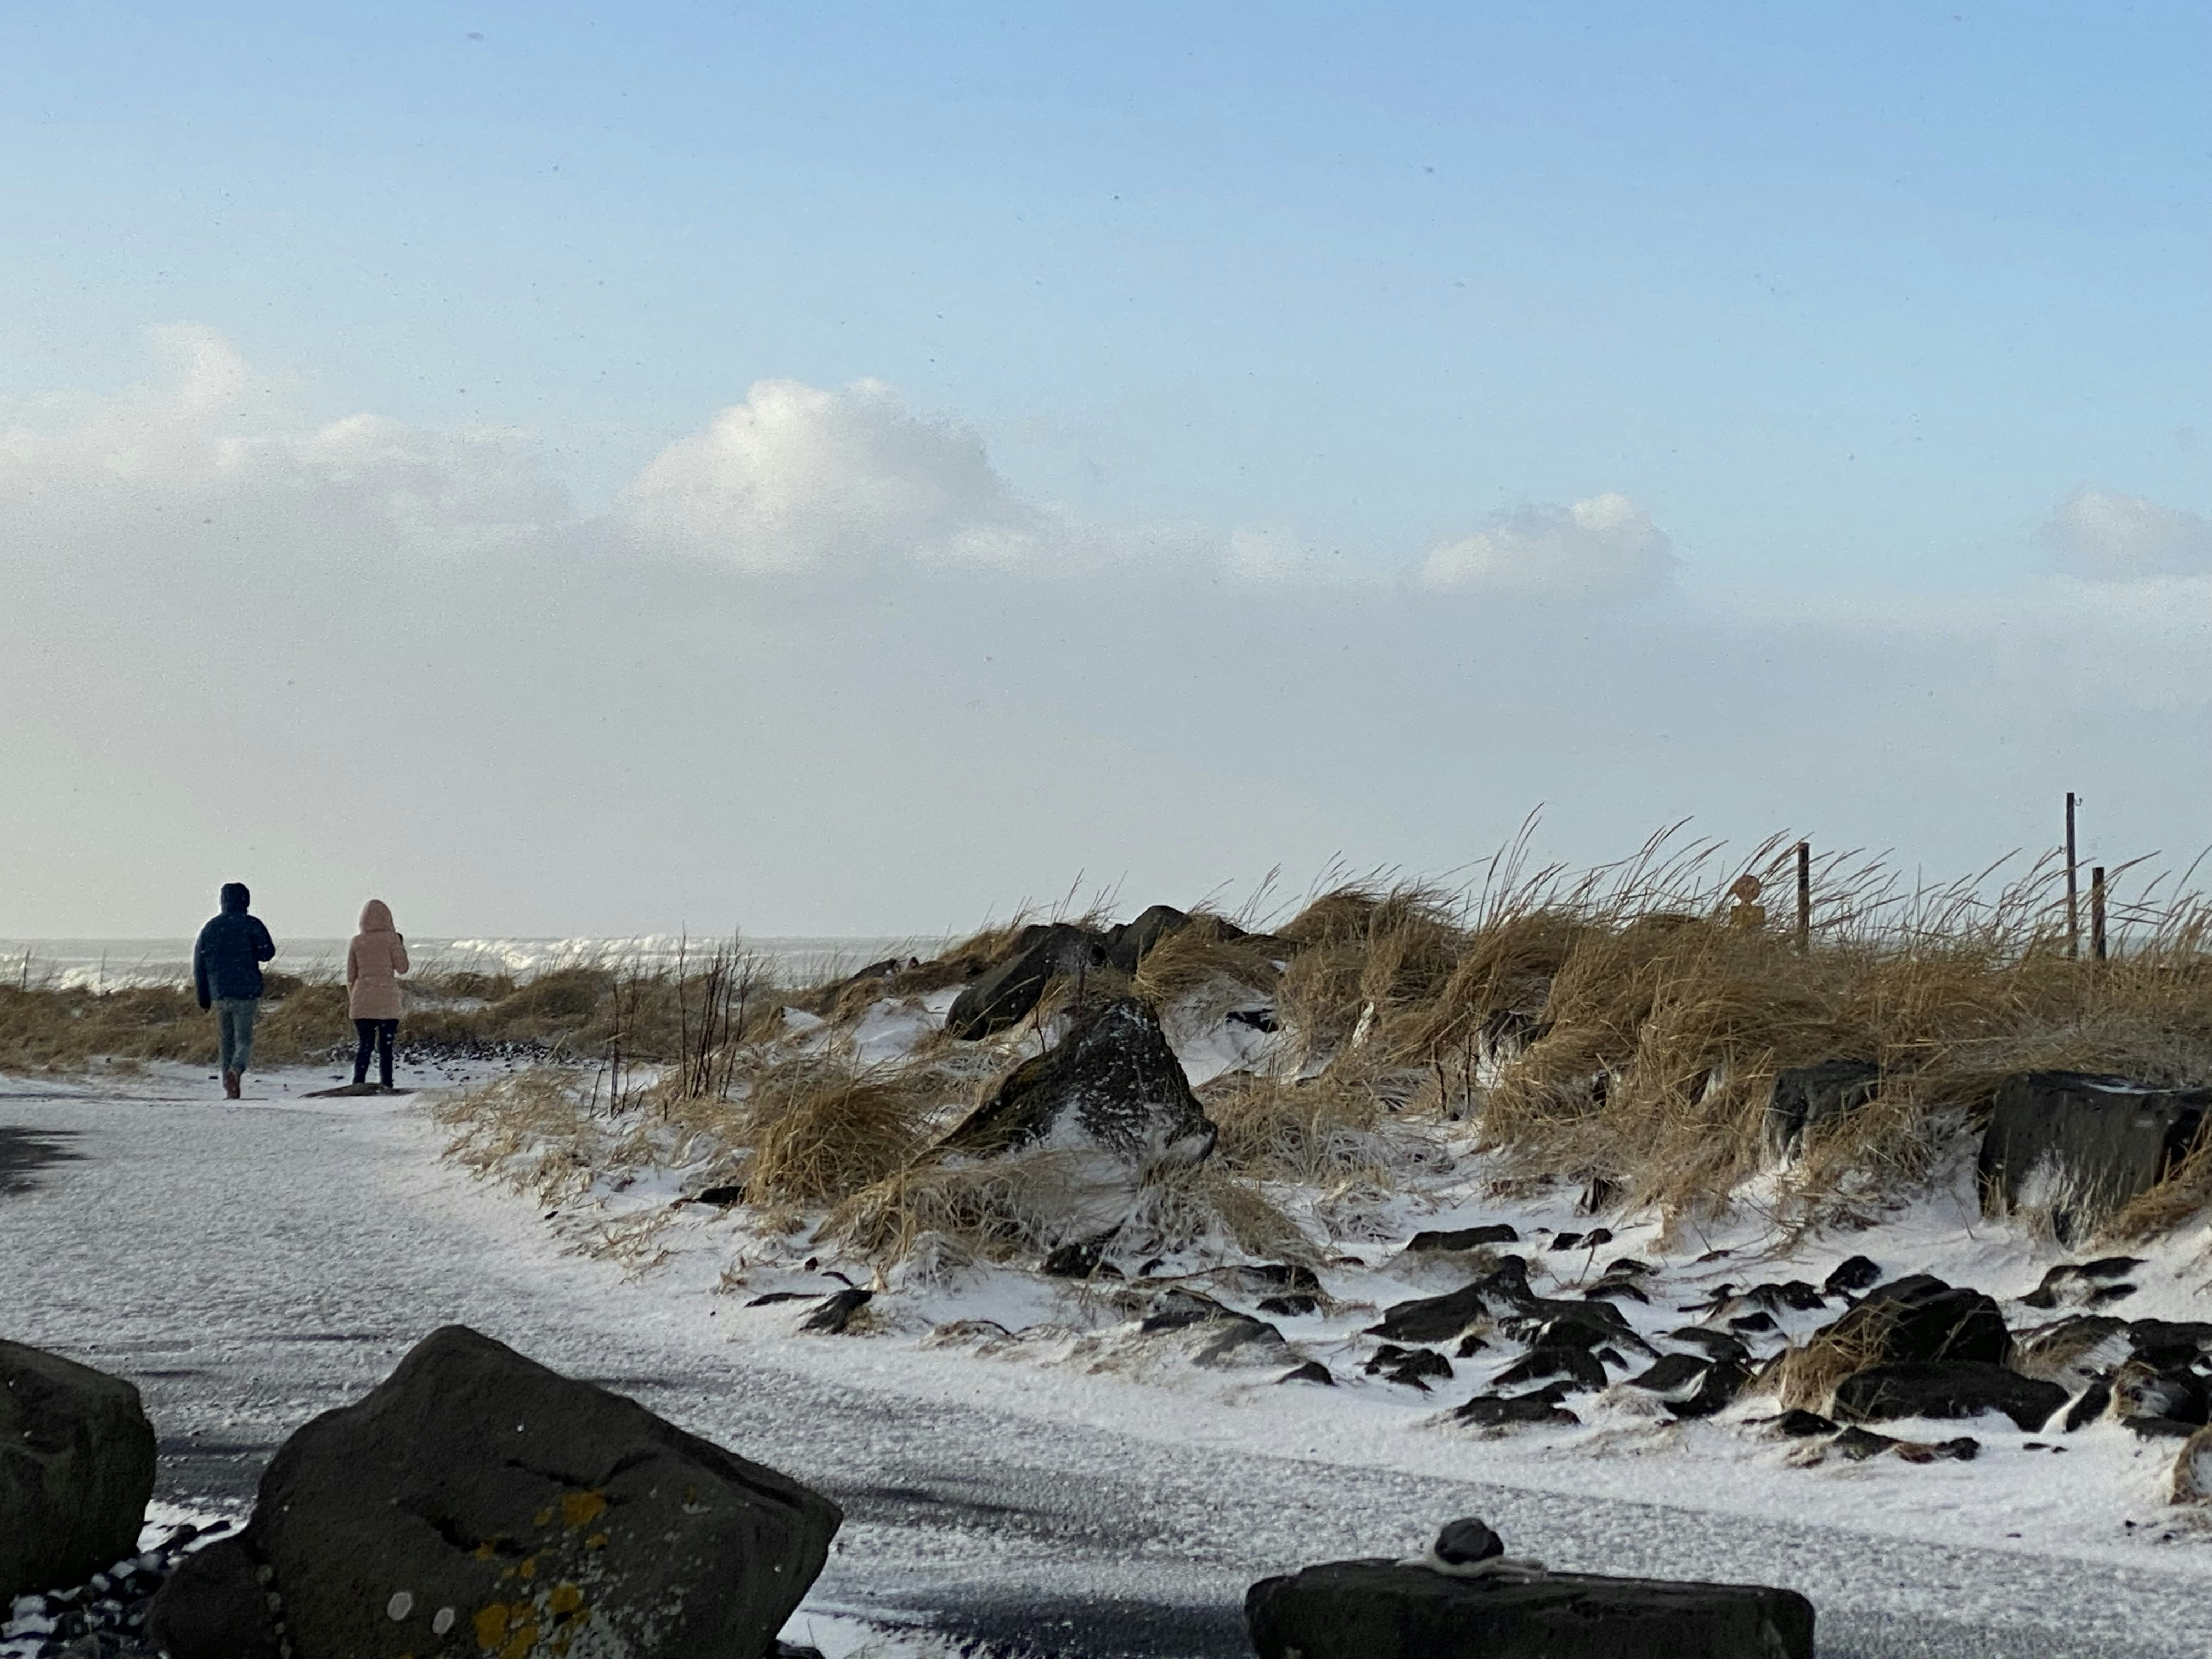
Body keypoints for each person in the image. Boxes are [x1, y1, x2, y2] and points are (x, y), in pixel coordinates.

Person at [193, 882, 278, 1099]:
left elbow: (199, 965)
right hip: (246, 991)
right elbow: (267, 952)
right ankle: (236, 1070)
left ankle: (229, 1087)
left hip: (220, 992)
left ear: (223, 901)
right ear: (245, 901)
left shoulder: (210, 928)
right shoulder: (251, 924)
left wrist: (203, 997)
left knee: (226, 1041)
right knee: (245, 1040)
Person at [346, 899, 410, 1090]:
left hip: (362, 998)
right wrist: (400, 944)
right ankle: (387, 1083)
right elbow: (403, 968)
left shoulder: (357, 942)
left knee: (365, 1045)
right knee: (386, 1047)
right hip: (387, 999)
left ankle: (358, 1082)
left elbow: (351, 975)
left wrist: (353, 999)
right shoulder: (391, 939)